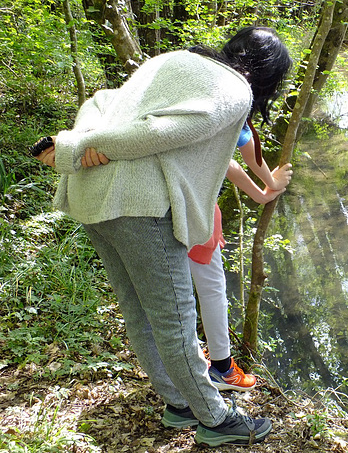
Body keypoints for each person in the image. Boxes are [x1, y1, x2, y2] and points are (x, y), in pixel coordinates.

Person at [34, 26, 292, 447]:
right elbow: (158, 133)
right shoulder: (233, 87)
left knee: (138, 311)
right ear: (268, 76)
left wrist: (86, 142)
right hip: (140, 203)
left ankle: (179, 403)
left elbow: (101, 99)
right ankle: (214, 418)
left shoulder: (170, 60)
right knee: (175, 320)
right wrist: (78, 148)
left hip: (91, 198)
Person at [188, 122, 293, 392]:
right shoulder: (231, 101)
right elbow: (248, 153)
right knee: (212, 290)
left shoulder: (175, 101)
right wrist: (272, 182)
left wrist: (260, 195)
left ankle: (178, 368)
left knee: (172, 294)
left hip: (155, 207)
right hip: (194, 212)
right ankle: (222, 369)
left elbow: (225, 161)